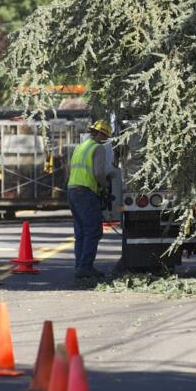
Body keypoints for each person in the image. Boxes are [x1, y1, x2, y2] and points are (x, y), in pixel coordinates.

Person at [67, 119, 115, 279]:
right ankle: (86, 267)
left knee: (81, 233)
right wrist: (105, 186)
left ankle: (79, 266)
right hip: (85, 192)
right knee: (93, 230)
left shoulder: (80, 147)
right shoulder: (98, 148)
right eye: (105, 136)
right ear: (102, 134)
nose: (104, 139)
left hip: (73, 190)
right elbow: (98, 173)